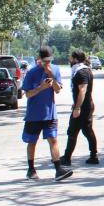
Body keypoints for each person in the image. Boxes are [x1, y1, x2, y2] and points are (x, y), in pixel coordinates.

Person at [21, 46, 73, 181]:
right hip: (34, 114)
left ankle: (58, 170)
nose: (47, 63)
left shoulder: (55, 69)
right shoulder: (32, 72)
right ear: (40, 59)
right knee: (32, 141)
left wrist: (51, 75)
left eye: (49, 60)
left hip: (50, 113)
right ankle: (31, 169)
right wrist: (41, 87)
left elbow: (57, 90)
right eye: (45, 61)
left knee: (53, 139)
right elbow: (28, 94)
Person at [61, 50, 98, 166]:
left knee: (74, 131)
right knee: (85, 130)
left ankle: (67, 158)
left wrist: (77, 107)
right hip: (83, 105)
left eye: (71, 58)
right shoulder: (82, 70)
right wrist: (76, 104)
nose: (69, 60)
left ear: (75, 59)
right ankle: (93, 155)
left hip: (83, 107)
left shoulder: (81, 72)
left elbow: (83, 90)